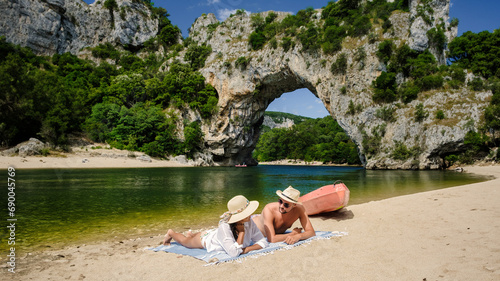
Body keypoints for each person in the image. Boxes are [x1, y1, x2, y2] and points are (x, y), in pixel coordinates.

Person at [161, 195, 268, 258]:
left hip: (217, 235)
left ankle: (191, 234)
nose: (250, 214)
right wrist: (242, 233)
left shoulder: (249, 221)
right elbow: (234, 253)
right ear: (239, 217)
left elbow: (263, 242)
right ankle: (171, 233)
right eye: (246, 213)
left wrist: (247, 249)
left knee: (192, 237)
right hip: (207, 240)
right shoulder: (224, 227)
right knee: (186, 242)